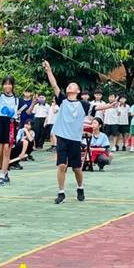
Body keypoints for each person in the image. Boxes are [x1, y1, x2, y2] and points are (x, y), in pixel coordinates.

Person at [43, 61, 116, 203]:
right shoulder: (62, 100)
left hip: (75, 139)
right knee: (62, 165)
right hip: (62, 137)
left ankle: (80, 187)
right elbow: (54, 85)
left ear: (77, 91)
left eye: (74, 86)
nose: (71, 86)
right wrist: (49, 71)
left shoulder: (83, 104)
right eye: (69, 85)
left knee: (76, 168)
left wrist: (110, 106)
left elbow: (97, 108)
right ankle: (61, 192)